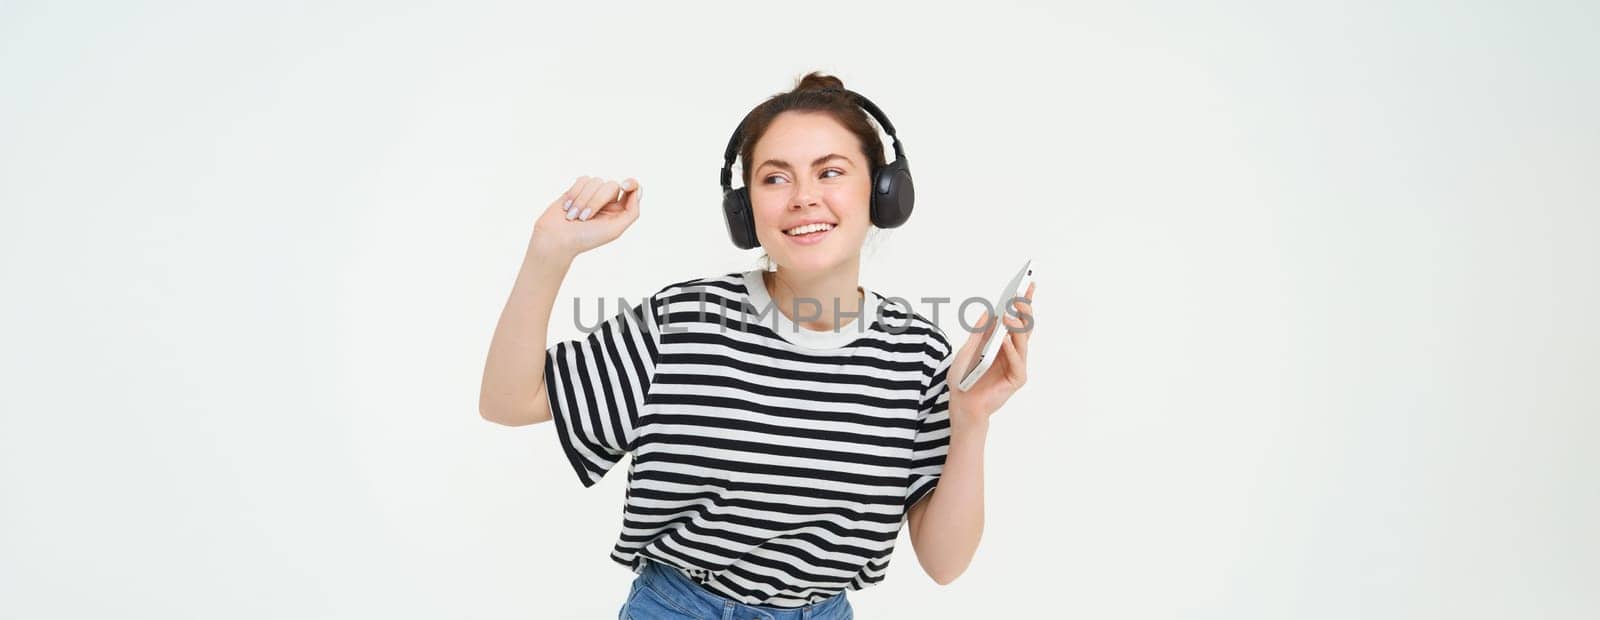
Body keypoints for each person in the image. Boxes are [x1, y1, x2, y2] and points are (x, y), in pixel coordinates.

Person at [479, 71, 1038, 619]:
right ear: (745, 210)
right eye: (775, 178)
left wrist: (970, 420)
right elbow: (508, 402)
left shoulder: (915, 355)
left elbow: (944, 564)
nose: (803, 198)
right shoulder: (685, 323)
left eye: (830, 172)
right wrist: (549, 251)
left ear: (884, 192)